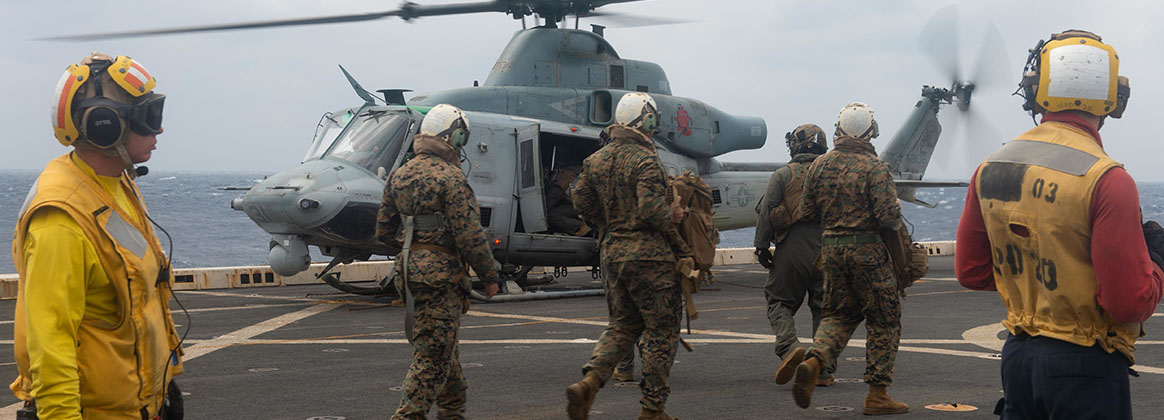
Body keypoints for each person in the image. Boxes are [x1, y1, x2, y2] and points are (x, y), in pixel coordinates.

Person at [955, 30, 1162, 419]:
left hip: (1017, 361)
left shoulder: (991, 168)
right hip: (1086, 366)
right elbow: (1128, 302)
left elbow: (971, 271)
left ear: (1036, 93)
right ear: (1114, 99)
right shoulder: (1108, 180)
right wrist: (1156, 266)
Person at [11, 53, 183, 419]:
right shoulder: (60, 218)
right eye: (149, 118)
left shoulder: (117, 182)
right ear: (105, 126)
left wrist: (163, 389)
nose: (159, 131)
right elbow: (51, 343)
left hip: (139, 407)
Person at [566, 92, 691, 420]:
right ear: (646, 120)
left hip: (613, 255)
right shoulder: (645, 159)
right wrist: (677, 231)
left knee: (622, 324)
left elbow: (580, 199)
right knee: (661, 331)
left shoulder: (596, 160)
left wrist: (606, 224)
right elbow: (652, 210)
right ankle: (652, 409)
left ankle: (591, 380)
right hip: (650, 258)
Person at [375, 103, 501, 420]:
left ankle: (453, 412)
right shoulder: (451, 178)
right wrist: (489, 274)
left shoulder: (399, 175)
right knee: (433, 356)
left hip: (407, 271)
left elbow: (384, 230)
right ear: (454, 137)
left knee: (444, 350)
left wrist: (415, 248)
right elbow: (469, 235)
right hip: (441, 277)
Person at [791, 103, 908, 415]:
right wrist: (895, 206)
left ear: (838, 130)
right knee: (884, 320)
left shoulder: (818, 166)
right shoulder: (876, 168)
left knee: (838, 315)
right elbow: (887, 218)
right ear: (872, 132)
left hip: (831, 253)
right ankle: (878, 395)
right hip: (869, 254)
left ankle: (816, 360)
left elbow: (807, 212)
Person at [756, 124, 836, 387]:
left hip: (791, 247)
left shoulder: (782, 175)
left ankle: (790, 346)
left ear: (796, 146)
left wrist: (761, 247)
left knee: (778, 301)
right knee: (824, 308)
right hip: (828, 248)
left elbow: (768, 212)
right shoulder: (833, 175)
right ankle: (822, 370)